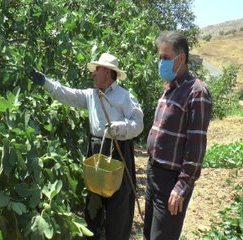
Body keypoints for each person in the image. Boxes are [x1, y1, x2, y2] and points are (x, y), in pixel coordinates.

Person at [29, 53, 144, 240]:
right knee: (94, 198)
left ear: (107, 71)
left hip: (118, 150)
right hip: (96, 148)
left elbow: (138, 124)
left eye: (97, 70)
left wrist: (120, 128)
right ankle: (94, 234)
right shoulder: (91, 95)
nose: (93, 74)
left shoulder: (125, 97)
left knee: (119, 201)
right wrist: (45, 82)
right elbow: (67, 94)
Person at [144, 31, 212, 240]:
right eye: (159, 57)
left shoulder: (196, 92)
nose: (160, 62)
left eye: (165, 58)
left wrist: (182, 185)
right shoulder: (170, 89)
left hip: (171, 179)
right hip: (154, 172)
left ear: (181, 58)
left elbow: (196, 146)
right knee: (149, 234)